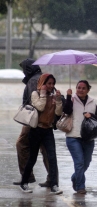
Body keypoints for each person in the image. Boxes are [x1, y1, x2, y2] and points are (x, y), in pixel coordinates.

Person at [14, 59, 56, 187]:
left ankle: (27, 176)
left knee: (21, 144)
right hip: (45, 121)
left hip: (34, 121)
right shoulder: (42, 78)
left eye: (24, 69)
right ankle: (52, 179)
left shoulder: (33, 80)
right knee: (47, 151)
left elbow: (35, 104)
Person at [19, 73, 63, 195]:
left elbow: (58, 113)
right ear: (42, 83)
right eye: (48, 83)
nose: (51, 86)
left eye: (53, 83)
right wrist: (43, 95)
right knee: (32, 158)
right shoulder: (35, 94)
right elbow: (40, 107)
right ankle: (24, 182)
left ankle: (54, 185)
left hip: (48, 130)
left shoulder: (54, 96)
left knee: (52, 157)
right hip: (36, 130)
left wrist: (58, 100)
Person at [63, 80, 97, 194]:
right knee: (79, 162)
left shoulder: (92, 102)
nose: (80, 90)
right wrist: (69, 96)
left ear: (88, 90)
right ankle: (81, 187)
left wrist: (92, 115)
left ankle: (75, 177)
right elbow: (66, 111)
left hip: (88, 138)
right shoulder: (71, 99)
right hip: (73, 136)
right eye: (79, 87)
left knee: (86, 162)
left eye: (83, 88)